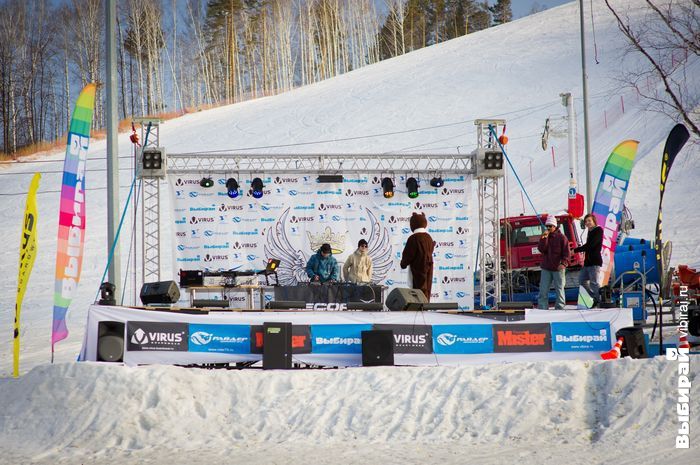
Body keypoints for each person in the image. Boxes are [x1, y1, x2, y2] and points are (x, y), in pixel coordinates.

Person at [400, 212, 435, 302]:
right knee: (427, 288)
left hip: (417, 268)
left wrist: (403, 263)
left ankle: (419, 309)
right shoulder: (428, 237)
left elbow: (408, 254)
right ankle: (425, 307)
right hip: (429, 267)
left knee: (418, 290)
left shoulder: (413, 238)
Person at [538, 215, 570, 309]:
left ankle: (560, 307)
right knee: (543, 290)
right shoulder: (544, 237)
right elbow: (541, 249)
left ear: (555, 226)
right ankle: (542, 308)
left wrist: (563, 263)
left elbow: (566, 253)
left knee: (559, 289)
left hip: (558, 268)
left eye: (550, 226)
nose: (548, 228)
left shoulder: (562, 238)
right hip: (546, 268)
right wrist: (544, 239)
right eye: (547, 226)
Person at [574, 213, 603, 306]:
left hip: (594, 262)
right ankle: (595, 298)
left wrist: (576, 250)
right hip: (588, 262)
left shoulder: (598, 230)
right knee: (582, 281)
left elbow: (591, 245)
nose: (587, 223)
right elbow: (588, 246)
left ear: (594, 221)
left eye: (589, 221)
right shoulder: (590, 231)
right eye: (586, 221)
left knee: (594, 283)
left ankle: (601, 301)